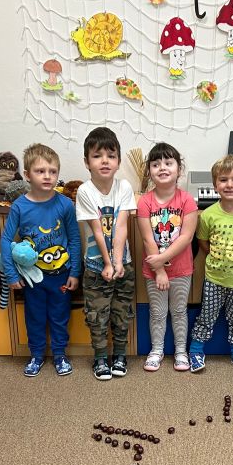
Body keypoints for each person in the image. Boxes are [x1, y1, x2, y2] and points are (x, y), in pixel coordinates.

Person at [0, 143, 81, 377]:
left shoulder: (65, 204)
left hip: (61, 275)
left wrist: (75, 272)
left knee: (59, 316)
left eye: (53, 171)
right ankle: (36, 355)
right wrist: (11, 275)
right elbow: (6, 240)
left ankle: (59, 354)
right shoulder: (19, 206)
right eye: (40, 171)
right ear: (27, 175)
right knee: (34, 317)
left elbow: (75, 239)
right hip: (32, 277)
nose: (47, 176)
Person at [189, 155, 233, 374]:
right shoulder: (208, 215)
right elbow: (203, 241)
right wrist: (217, 256)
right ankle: (195, 351)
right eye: (223, 180)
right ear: (215, 185)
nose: (229, 185)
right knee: (206, 315)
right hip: (214, 278)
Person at [75, 127, 136, 380]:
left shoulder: (124, 187)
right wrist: (108, 263)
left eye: (111, 156)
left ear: (118, 161)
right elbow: (98, 230)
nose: (105, 161)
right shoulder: (84, 191)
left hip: (124, 264)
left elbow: (121, 226)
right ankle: (100, 357)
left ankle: (120, 355)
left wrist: (118, 262)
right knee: (97, 315)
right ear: (87, 162)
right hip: (95, 266)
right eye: (97, 156)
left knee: (122, 313)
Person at [136, 142, 198, 372]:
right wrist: (159, 269)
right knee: (157, 312)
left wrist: (163, 260)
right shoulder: (145, 202)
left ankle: (181, 351)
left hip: (181, 270)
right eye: (156, 164)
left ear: (178, 169)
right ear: (149, 171)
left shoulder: (187, 200)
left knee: (179, 311)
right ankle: (157, 350)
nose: (162, 167)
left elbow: (186, 237)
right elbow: (147, 239)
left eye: (168, 163)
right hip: (154, 272)